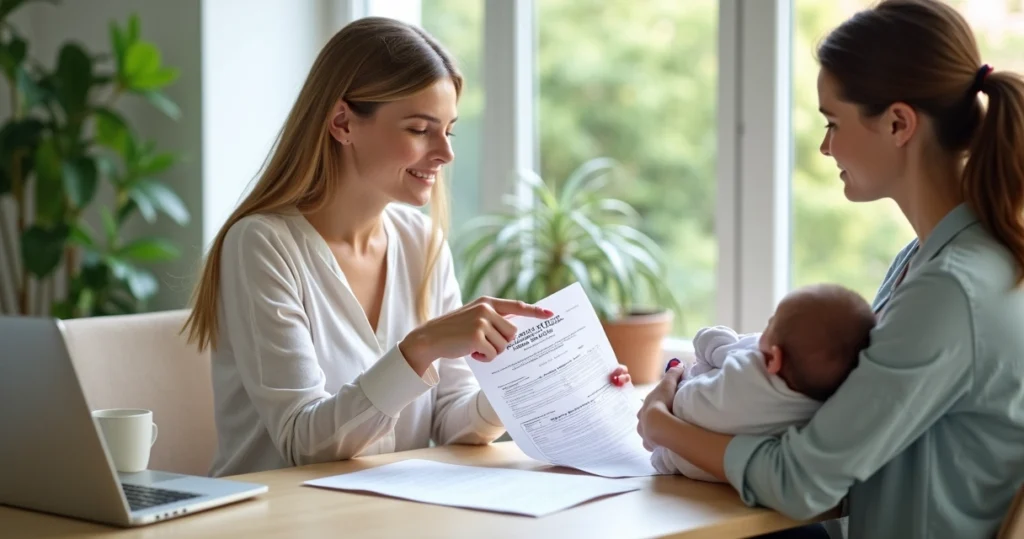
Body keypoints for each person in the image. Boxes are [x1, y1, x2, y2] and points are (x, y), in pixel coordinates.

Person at [180, 17, 631, 477]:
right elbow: (304, 443)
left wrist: (538, 382)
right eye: (420, 129)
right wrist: (421, 347)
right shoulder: (262, 245)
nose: (445, 153)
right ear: (342, 123)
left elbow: (453, 421)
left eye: (449, 131)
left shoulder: (422, 243)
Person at [638, 0, 1024, 537]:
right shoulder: (933, 259)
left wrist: (659, 422)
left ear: (897, 123)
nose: (825, 146)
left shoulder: (950, 289)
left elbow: (804, 481)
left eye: (833, 122)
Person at [652, 284, 875, 480]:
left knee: (701, 369)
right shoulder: (822, 408)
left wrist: (707, 339)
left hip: (680, 421)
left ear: (775, 358)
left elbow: (715, 345)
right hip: (705, 469)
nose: (761, 334)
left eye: (770, 324)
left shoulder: (751, 367)